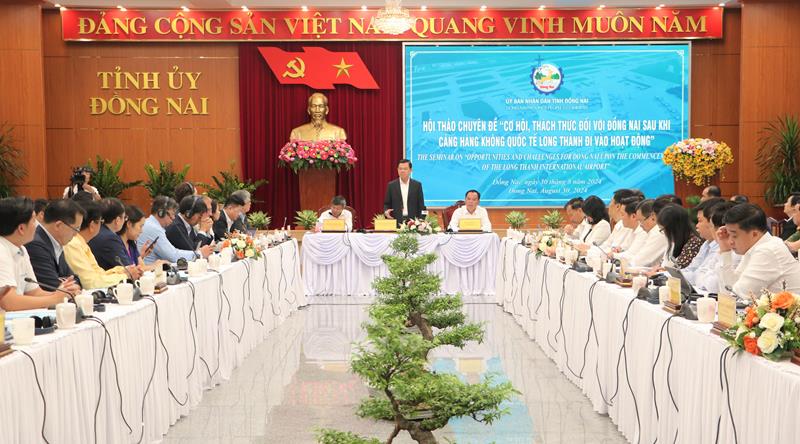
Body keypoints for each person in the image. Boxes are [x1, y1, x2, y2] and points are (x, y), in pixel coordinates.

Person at [0, 197, 74, 311]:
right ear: (21, 228)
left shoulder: (21, 249)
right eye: (34, 220)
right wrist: (55, 299)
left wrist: (64, 294)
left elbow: (34, 292)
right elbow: (8, 302)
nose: (37, 225)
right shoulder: (1, 250)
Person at [717, 203, 800, 296]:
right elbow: (729, 289)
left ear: (754, 234)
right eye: (728, 235)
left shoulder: (768, 250)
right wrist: (725, 251)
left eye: (734, 235)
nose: (730, 241)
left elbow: (739, 295)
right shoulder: (756, 247)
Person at [63, 200, 129, 289]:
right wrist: (126, 276)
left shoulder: (82, 243)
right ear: (92, 225)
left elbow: (98, 274)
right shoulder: (73, 244)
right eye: (101, 222)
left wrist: (123, 271)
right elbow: (90, 283)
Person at [25, 199, 84, 292]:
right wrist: (68, 284)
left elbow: (75, 279)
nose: (76, 234)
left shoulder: (56, 242)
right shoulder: (35, 244)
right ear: (58, 225)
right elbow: (52, 286)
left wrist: (74, 285)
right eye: (76, 229)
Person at [138, 196, 213, 265]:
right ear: (161, 213)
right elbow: (173, 256)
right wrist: (199, 254)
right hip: (150, 271)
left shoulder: (152, 225)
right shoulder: (154, 229)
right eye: (172, 214)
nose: (174, 218)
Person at [684, 200, 736, 292]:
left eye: (700, 221)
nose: (696, 225)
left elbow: (713, 285)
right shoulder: (707, 244)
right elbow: (697, 272)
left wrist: (701, 278)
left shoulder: (732, 249)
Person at [88, 198, 142, 279]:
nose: (125, 221)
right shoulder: (110, 238)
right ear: (117, 220)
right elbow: (129, 269)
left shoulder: (99, 231)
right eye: (124, 217)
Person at [615, 199, 668, 268]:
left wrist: (618, 260)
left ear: (652, 218)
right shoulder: (652, 232)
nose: (640, 225)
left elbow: (639, 261)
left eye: (641, 221)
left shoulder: (658, 233)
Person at [657, 204, 704, 268]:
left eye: (664, 229)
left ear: (674, 228)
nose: (664, 233)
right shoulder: (673, 241)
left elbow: (679, 269)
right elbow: (663, 263)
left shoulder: (694, 242)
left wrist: (663, 270)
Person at [384, 159, 426, 225]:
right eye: (400, 169)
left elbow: (421, 205)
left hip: (413, 223)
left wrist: (421, 221)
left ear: (411, 170)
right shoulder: (391, 185)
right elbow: (386, 204)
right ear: (397, 170)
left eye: (405, 169)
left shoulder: (417, 185)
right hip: (396, 222)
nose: (402, 171)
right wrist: (386, 211)